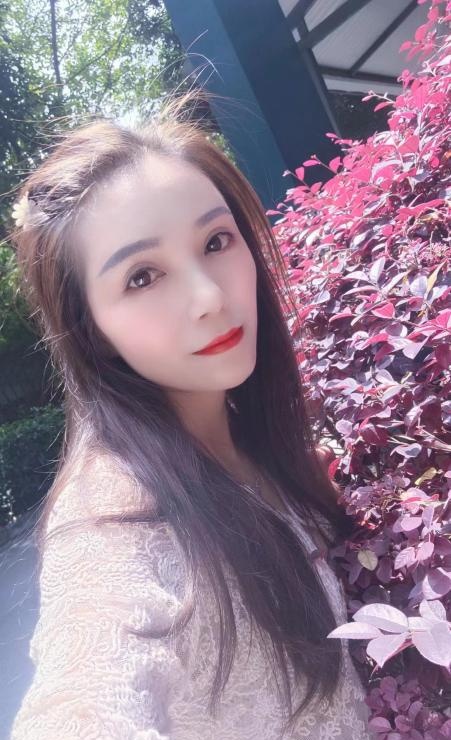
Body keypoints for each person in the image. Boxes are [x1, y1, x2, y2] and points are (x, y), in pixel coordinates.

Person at [9, 89, 371, 739]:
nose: (208, 296)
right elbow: (84, 689)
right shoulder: (114, 518)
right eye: (142, 277)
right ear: (92, 331)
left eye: (215, 241)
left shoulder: (246, 434)